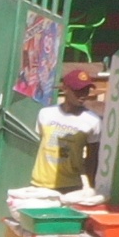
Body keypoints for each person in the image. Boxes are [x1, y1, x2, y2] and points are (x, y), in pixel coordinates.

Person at [34, 66, 105, 195]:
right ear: (65, 90)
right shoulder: (45, 114)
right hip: (40, 185)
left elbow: (92, 159)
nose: (83, 95)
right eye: (78, 91)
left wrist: (93, 188)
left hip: (71, 188)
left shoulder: (92, 121)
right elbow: (41, 143)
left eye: (86, 90)